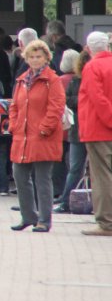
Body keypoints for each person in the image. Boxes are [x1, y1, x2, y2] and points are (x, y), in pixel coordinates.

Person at [8, 39, 65, 233]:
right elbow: (14, 105)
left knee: (42, 179)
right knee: (20, 175)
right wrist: (14, 125)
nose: (34, 60)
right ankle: (28, 216)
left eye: (38, 56)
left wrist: (44, 129)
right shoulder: (22, 80)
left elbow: (56, 107)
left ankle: (44, 220)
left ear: (46, 58)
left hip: (42, 136)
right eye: (31, 57)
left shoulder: (53, 80)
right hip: (22, 136)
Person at [78, 31, 112, 236]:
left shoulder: (92, 67)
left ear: (88, 49)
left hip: (98, 129)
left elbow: (98, 99)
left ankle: (106, 222)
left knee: (102, 176)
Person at [55, 49, 89, 213]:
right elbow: (66, 100)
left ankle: (66, 201)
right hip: (78, 129)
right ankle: (66, 201)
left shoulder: (72, 81)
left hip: (80, 129)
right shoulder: (75, 81)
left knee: (75, 167)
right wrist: (85, 99)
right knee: (76, 167)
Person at [51, 49, 80, 198]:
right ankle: (71, 191)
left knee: (59, 160)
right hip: (76, 125)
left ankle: (58, 189)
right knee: (74, 163)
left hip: (62, 125)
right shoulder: (79, 79)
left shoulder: (59, 80)